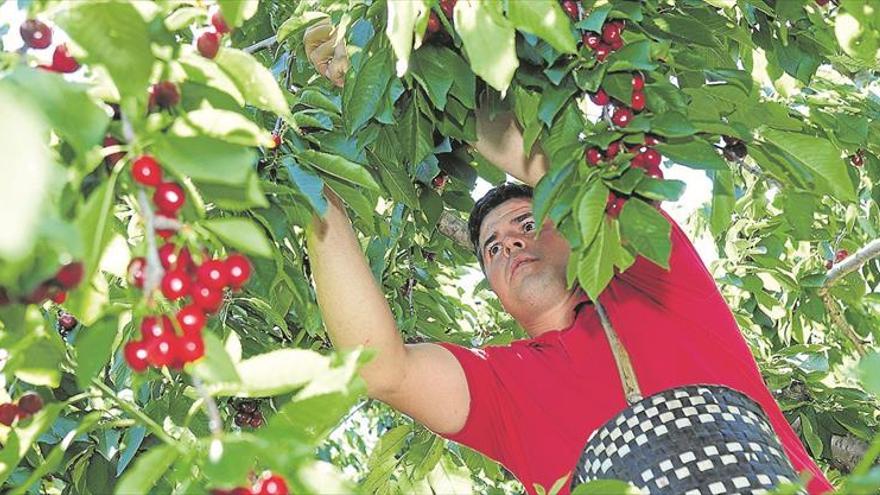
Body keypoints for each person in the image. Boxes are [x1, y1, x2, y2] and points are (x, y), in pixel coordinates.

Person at [302, 21, 833, 495]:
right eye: (492, 248)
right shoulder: (504, 387)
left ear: (576, 227)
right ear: (495, 289)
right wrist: (312, 191)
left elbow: (554, 170)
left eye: (528, 224)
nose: (509, 243)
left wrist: (411, 55)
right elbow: (379, 367)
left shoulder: (660, 288)